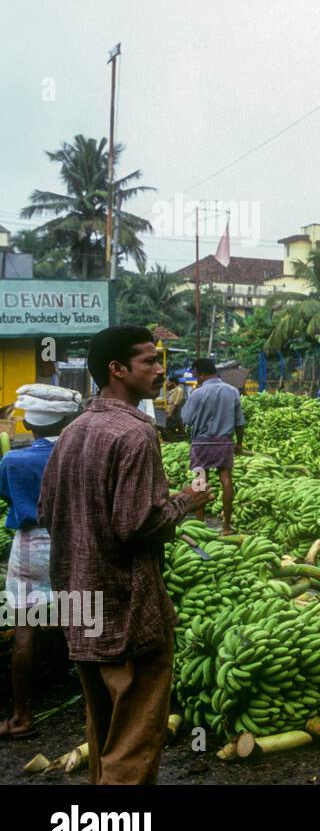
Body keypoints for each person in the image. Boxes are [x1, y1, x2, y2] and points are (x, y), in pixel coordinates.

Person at [40, 325, 212, 784]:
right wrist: (186, 503)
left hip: (80, 603)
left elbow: (47, 508)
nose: (161, 370)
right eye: (149, 362)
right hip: (126, 609)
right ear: (117, 370)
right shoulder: (136, 434)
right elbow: (137, 525)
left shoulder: (73, 432)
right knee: (133, 742)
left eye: (159, 361)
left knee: (104, 731)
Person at [0, 384, 81, 739]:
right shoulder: (78, 456)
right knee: (81, 620)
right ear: (67, 421)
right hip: (75, 544)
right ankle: (92, 714)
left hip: (31, 546)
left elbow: (7, 495)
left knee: (24, 630)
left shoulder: (12, 461)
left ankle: (21, 716)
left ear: (29, 427)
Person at [181, 358, 246, 535]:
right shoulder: (232, 391)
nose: (196, 379)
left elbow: (186, 419)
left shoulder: (197, 393)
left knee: (201, 480)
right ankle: (226, 526)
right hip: (224, 442)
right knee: (226, 478)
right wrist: (239, 443)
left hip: (201, 444)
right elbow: (240, 422)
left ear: (201, 373)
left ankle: (200, 525)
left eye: (196, 375)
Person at [163, 375, 187, 439]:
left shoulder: (179, 390)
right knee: (169, 432)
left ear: (173, 382)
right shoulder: (172, 391)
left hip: (174, 415)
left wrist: (170, 414)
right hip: (170, 415)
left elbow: (176, 404)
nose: (167, 384)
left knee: (175, 431)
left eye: (169, 382)